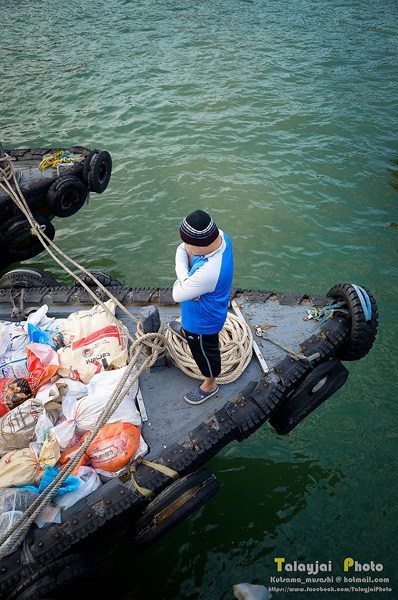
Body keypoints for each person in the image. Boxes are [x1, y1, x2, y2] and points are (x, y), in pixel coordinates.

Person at [169, 210, 233, 405]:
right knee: (191, 335)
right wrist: (187, 280)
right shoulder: (221, 236)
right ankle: (186, 333)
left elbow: (176, 294)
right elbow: (181, 250)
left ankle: (210, 384)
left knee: (205, 352)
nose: (185, 247)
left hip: (203, 322)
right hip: (193, 313)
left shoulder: (210, 272)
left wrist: (185, 285)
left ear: (200, 245)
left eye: (189, 244)